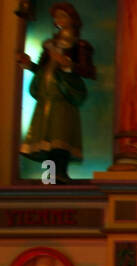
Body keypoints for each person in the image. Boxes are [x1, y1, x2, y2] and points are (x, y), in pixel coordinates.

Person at [19, 2, 95, 184]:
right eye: (57, 16)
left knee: (61, 137)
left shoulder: (79, 45)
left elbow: (88, 71)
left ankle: (60, 173)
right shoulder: (49, 45)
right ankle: (48, 177)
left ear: (72, 20)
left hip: (64, 96)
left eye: (63, 16)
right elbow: (41, 69)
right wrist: (29, 65)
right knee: (45, 141)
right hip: (46, 98)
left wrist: (68, 65)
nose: (59, 20)